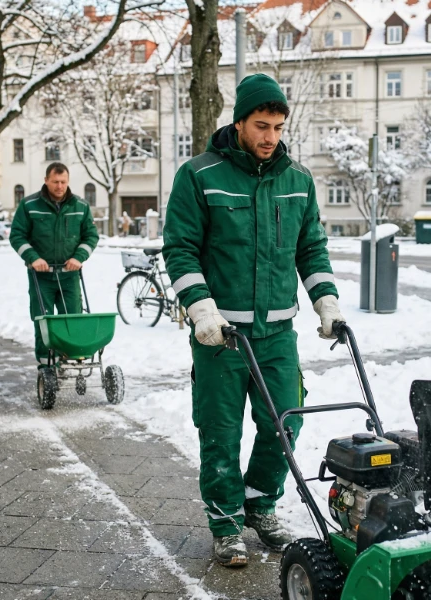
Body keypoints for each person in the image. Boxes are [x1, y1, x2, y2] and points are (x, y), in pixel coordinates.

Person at [162, 74, 344, 568]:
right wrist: (201, 308)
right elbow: (179, 249)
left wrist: (326, 302)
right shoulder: (199, 175)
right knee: (220, 430)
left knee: (285, 422)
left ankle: (259, 505)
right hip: (220, 336)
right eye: (261, 126)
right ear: (238, 121)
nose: (270, 137)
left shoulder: (297, 180)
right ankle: (225, 523)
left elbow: (311, 248)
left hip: (277, 334)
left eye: (278, 128)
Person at [10, 162, 99, 367]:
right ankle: (46, 364)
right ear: (46, 181)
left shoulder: (80, 206)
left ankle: (70, 357)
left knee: (72, 318)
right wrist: (33, 258)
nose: (60, 186)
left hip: (69, 274)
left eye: (63, 182)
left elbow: (91, 235)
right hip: (41, 276)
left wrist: (79, 257)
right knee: (44, 320)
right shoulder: (29, 206)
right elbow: (17, 236)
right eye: (55, 182)